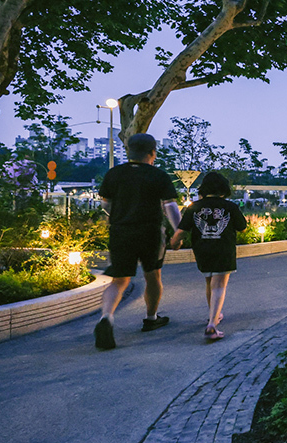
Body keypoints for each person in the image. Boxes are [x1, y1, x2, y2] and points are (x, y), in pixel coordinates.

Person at [94, 133, 182, 351]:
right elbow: (170, 206)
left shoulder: (115, 174)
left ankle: (106, 317)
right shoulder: (158, 175)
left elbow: (105, 204)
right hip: (150, 232)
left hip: (121, 232)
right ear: (152, 153)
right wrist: (178, 231)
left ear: (128, 151)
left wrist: (120, 215)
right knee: (153, 275)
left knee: (119, 280)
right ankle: (151, 318)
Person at [169, 172, 247, 340]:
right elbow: (243, 228)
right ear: (224, 189)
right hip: (223, 249)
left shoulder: (194, 207)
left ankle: (214, 314)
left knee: (209, 281)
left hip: (202, 250)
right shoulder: (230, 207)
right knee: (219, 285)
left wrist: (174, 243)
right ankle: (212, 325)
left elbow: (181, 231)